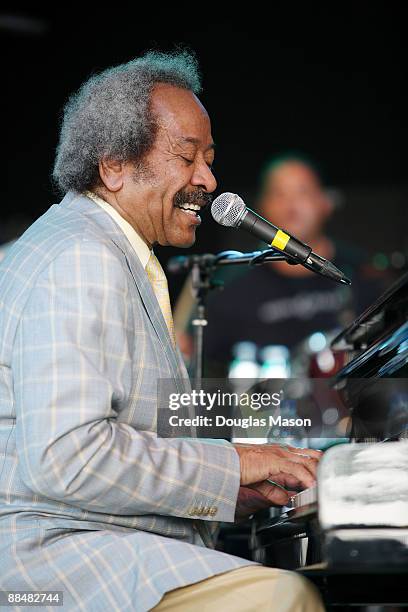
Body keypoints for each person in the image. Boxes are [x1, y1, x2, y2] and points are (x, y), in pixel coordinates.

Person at [0, 51, 324, 610]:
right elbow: (68, 458)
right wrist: (235, 462)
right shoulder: (81, 256)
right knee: (283, 596)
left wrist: (230, 488)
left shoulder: (95, 245)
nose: (209, 179)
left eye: (210, 158)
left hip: (90, 538)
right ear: (113, 167)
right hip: (52, 561)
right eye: (187, 157)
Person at [204, 153, 387, 374]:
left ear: (325, 202)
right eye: (279, 193)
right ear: (261, 206)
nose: (291, 204)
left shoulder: (363, 273)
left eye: (302, 192)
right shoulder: (231, 289)